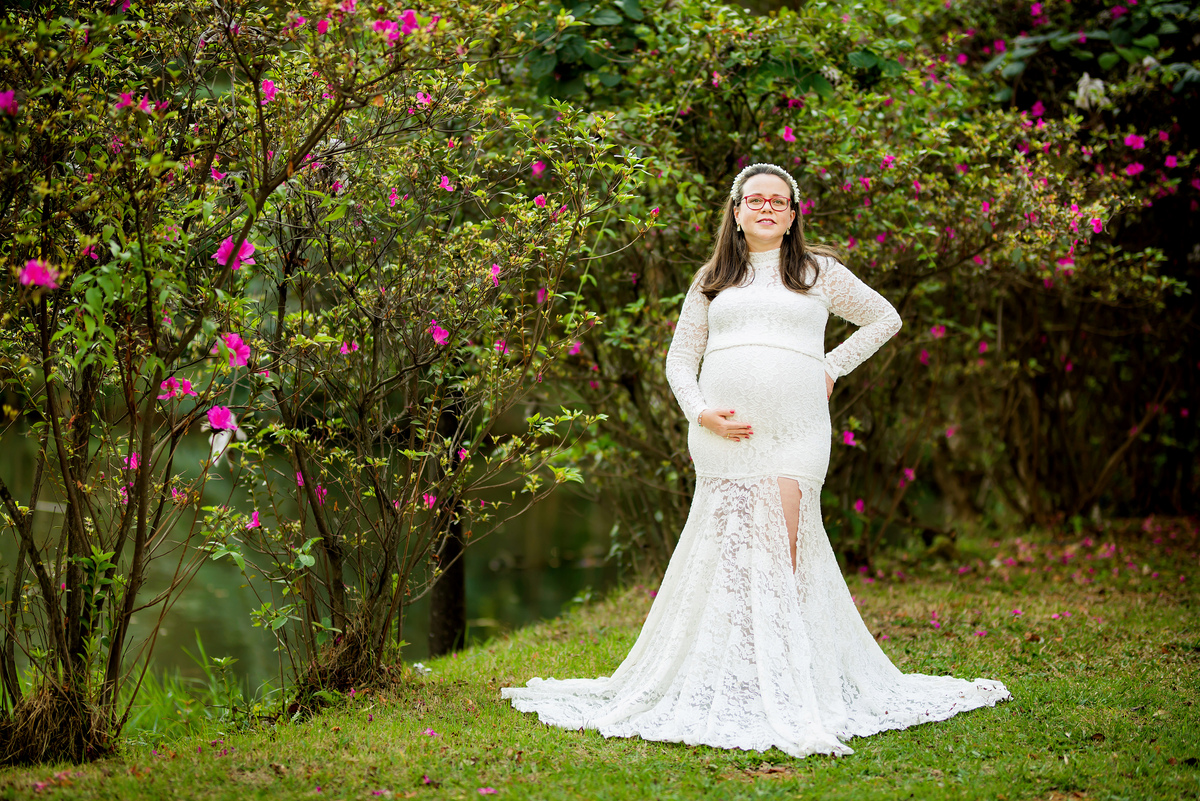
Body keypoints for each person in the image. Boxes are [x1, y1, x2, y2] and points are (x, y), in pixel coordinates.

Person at [501, 163, 1012, 758]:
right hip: (726, 436)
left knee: (782, 549)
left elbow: (885, 318)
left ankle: (781, 675)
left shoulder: (819, 273)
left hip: (797, 432)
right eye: (755, 200)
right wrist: (701, 413)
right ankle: (738, 671)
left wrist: (831, 366)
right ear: (737, 214)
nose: (767, 208)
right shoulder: (714, 279)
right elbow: (678, 360)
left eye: (779, 201)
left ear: (793, 216)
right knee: (734, 553)